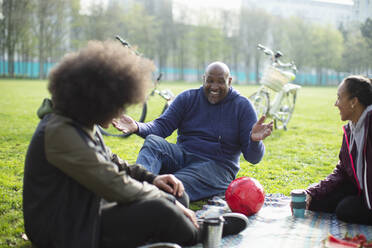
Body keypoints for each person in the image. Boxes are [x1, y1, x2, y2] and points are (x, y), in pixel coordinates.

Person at [24, 40, 243, 248]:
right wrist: (164, 201)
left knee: (176, 194)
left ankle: (167, 229)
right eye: (118, 105)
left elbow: (115, 163)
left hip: (87, 209)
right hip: (62, 228)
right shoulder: (59, 132)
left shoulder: (81, 123)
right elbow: (112, 182)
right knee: (161, 207)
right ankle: (201, 232)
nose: (120, 113)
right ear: (96, 101)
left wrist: (154, 179)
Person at [113, 61, 273, 201]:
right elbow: (161, 127)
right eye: (210, 81)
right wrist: (137, 126)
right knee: (153, 142)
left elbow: (253, 158)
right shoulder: (188, 98)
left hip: (218, 167)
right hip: (184, 157)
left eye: (220, 82)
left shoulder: (242, 107)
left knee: (173, 185)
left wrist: (254, 141)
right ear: (203, 79)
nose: (214, 87)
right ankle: (140, 185)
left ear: (229, 81)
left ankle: (146, 197)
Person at [300, 75, 372, 225]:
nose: (335, 104)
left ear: (354, 101)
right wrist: (311, 193)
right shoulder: (351, 129)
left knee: (346, 209)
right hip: (360, 192)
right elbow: (342, 171)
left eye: (339, 98)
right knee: (314, 203)